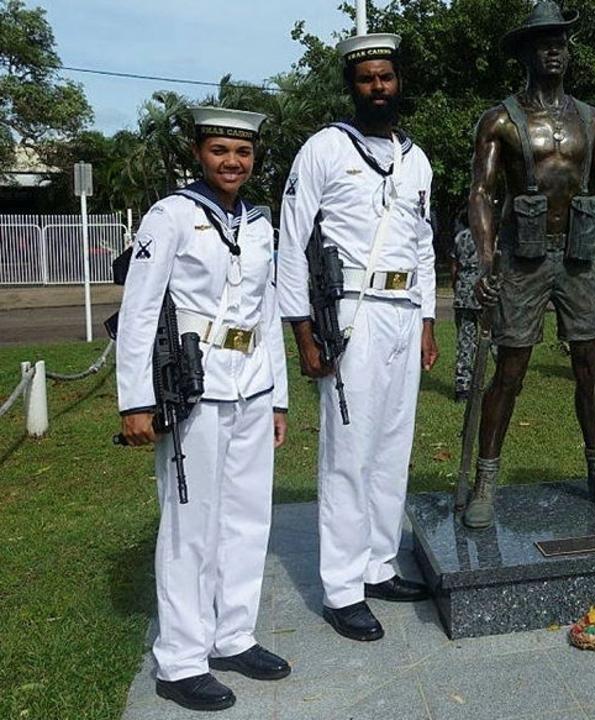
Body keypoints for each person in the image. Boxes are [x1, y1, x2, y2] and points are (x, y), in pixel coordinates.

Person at [116, 107, 291, 712]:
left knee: (247, 519)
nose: (232, 162)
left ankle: (233, 635)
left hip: (252, 385)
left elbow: (267, 314)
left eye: (242, 153)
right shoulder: (171, 217)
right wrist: (135, 400)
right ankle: (181, 660)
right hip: (193, 386)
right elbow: (139, 311)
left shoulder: (259, 223)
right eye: (220, 150)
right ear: (198, 153)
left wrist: (280, 398)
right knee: (191, 525)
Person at [276, 32, 438, 642]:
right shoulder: (323, 148)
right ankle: (343, 589)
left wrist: (426, 321)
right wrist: (303, 334)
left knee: (393, 445)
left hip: (401, 311)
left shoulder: (416, 158)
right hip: (350, 313)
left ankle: (378, 562)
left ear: (398, 82)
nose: (379, 87)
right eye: (367, 78)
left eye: (387, 77)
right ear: (353, 85)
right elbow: (291, 243)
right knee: (349, 452)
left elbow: (424, 246)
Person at [462, 0, 595, 529]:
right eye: (544, 42)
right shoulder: (501, 120)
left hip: (580, 256)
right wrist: (487, 260)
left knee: (590, 365)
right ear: (527, 53)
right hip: (522, 256)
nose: (555, 50)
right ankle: (486, 482)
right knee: (510, 369)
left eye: (561, 41)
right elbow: (481, 192)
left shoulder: (591, 119)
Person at [453, 209, 482, 400]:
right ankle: (504, 378)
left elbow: (454, 266)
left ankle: (462, 385)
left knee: (465, 341)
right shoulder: (490, 236)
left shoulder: (460, 238)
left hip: (464, 289)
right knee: (495, 339)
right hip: (484, 289)